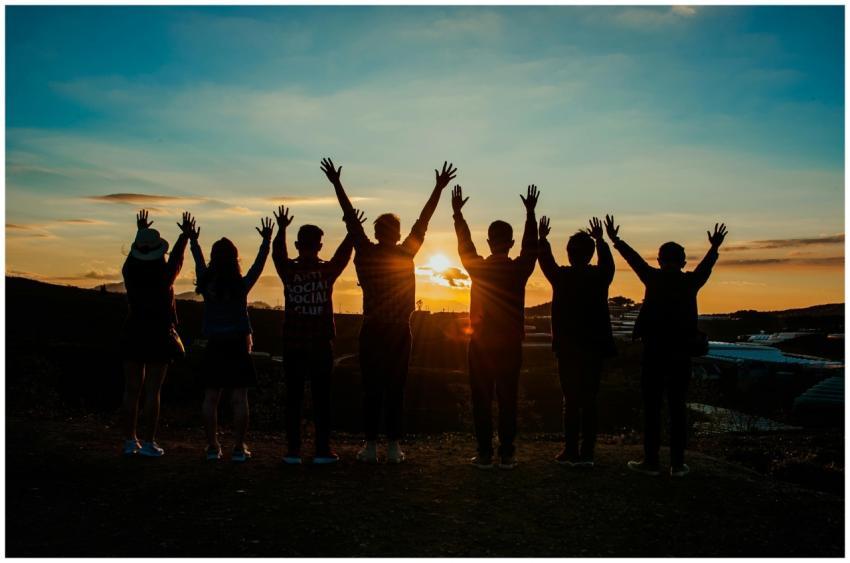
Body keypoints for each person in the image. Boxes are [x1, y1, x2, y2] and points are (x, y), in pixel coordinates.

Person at [321, 157, 457, 464]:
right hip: (398, 330)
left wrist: (337, 184)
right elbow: (424, 220)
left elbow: (350, 219)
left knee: (371, 388)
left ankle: (370, 445)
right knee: (396, 388)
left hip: (373, 329)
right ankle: (394, 446)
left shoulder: (366, 252)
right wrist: (437, 188)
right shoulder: (406, 252)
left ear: (377, 231)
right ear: (396, 233)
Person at [606, 216, 727, 477]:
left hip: (654, 352)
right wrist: (714, 247)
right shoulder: (690, 282)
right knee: (677, 407)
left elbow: (634, 260)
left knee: (652, 408)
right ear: (683, 262)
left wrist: (616, 240)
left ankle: (650, 461)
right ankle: (677, 463)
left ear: (659, 260)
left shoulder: (653, 278)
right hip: (681, 353)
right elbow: (705, 268)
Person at [451, 184, 539, 470]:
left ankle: (485, 453)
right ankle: (508, 454)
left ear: (489, 242)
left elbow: (465, 245)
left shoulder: (478, 268)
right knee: (508, 398)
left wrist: (458, 215)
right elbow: (531, 248)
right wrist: (530, 214)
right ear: (510, 242)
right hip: (511, 343)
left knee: (482, 399)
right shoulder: (519, 269)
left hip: (480, 343)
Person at [271, 204, 365, 465]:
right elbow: (343, 256)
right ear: (319, 246)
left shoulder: (289, 271)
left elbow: (277, 254)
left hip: (292, 344)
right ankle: (322, 450)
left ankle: (292, 451)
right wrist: (351, 231)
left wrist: (280, 229)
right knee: (322, 399)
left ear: (298, 244)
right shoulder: (326, 272)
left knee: (293, 398)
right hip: (321, 345)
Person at [191, 216, 274, 463]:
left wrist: (193, 241)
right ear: (235, 259)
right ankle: (238, 447)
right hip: (238, 345)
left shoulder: (206, 283)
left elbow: (198, 262)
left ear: (214, 258)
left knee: (211, 397)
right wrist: (266, 242)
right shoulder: (240, 285)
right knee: (239, 398)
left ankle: (212, 446)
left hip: (215, 344)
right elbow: (258, 266)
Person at [538, 216, 615, 467]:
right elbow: (609, 265)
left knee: (570, 399)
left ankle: (570, 451)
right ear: (590, 254)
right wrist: (601, 240)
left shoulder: (562, 277)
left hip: (568, 348)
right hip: (594, 347)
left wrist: (542, 239)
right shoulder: (600, 277)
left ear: (569, 254)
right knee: (590, 399)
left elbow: (545, 262)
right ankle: (588, 453)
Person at [119, 209, 194, 457]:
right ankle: (149, 442)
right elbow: (178, 260)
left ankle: (130, 440)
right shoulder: (164, 275)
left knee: (131, 390)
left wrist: (140, 231)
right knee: (153, 390)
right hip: (159, 333)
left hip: (133, 329)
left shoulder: (129, 271)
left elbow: (135, 256)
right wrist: (185, 235)